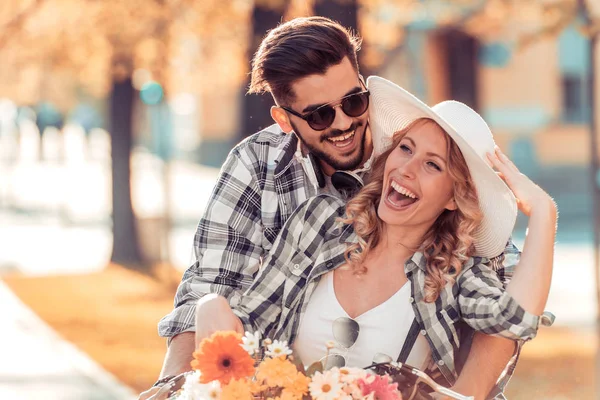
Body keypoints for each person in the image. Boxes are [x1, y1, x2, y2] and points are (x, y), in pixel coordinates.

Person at [140, 17, 522, 400]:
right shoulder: (258, 165)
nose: (344, 123)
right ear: (285, 120)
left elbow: (505, 296)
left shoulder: (414, 150)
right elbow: (211, 285)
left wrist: (465, 395)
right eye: (320, 114)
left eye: (354, 101)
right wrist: (172, 386)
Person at [194, 76, 557, 397]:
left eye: (433, 165)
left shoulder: (455, 275)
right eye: (406, 148)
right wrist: (210, 311)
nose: (407, 169)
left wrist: (543, 212)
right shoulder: (320, 223)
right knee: (210, 306)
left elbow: (515, 321)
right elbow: (250, 324)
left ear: (452, 198)